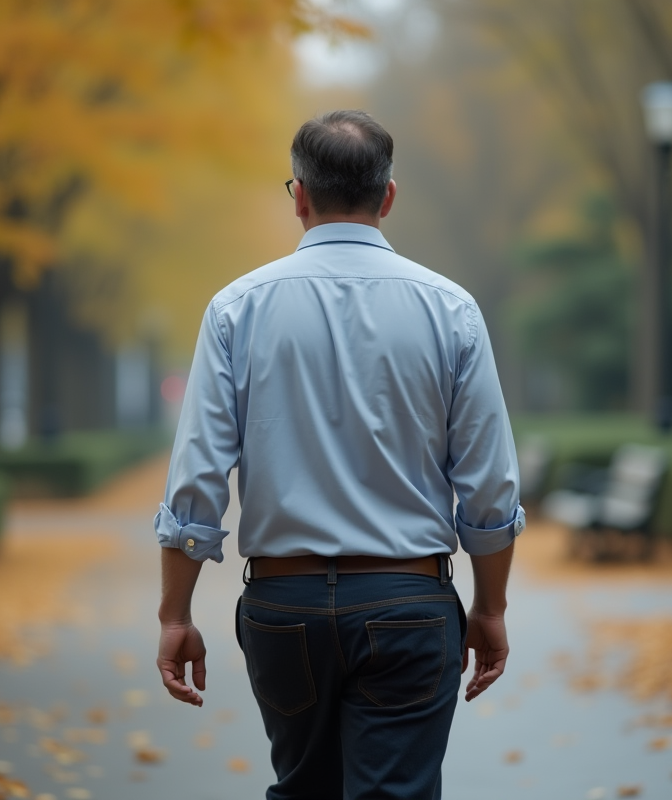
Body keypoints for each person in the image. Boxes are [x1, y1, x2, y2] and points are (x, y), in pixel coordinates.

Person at [154, 109, 523, 800]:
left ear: (298, 196)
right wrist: (490, 606)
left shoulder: (236, 309)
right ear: (388, 196)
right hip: (409, 604)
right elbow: (490, 485)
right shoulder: (452, 311)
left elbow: (197, 478)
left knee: (303, 788)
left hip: (282, 605)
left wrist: (176, 614)